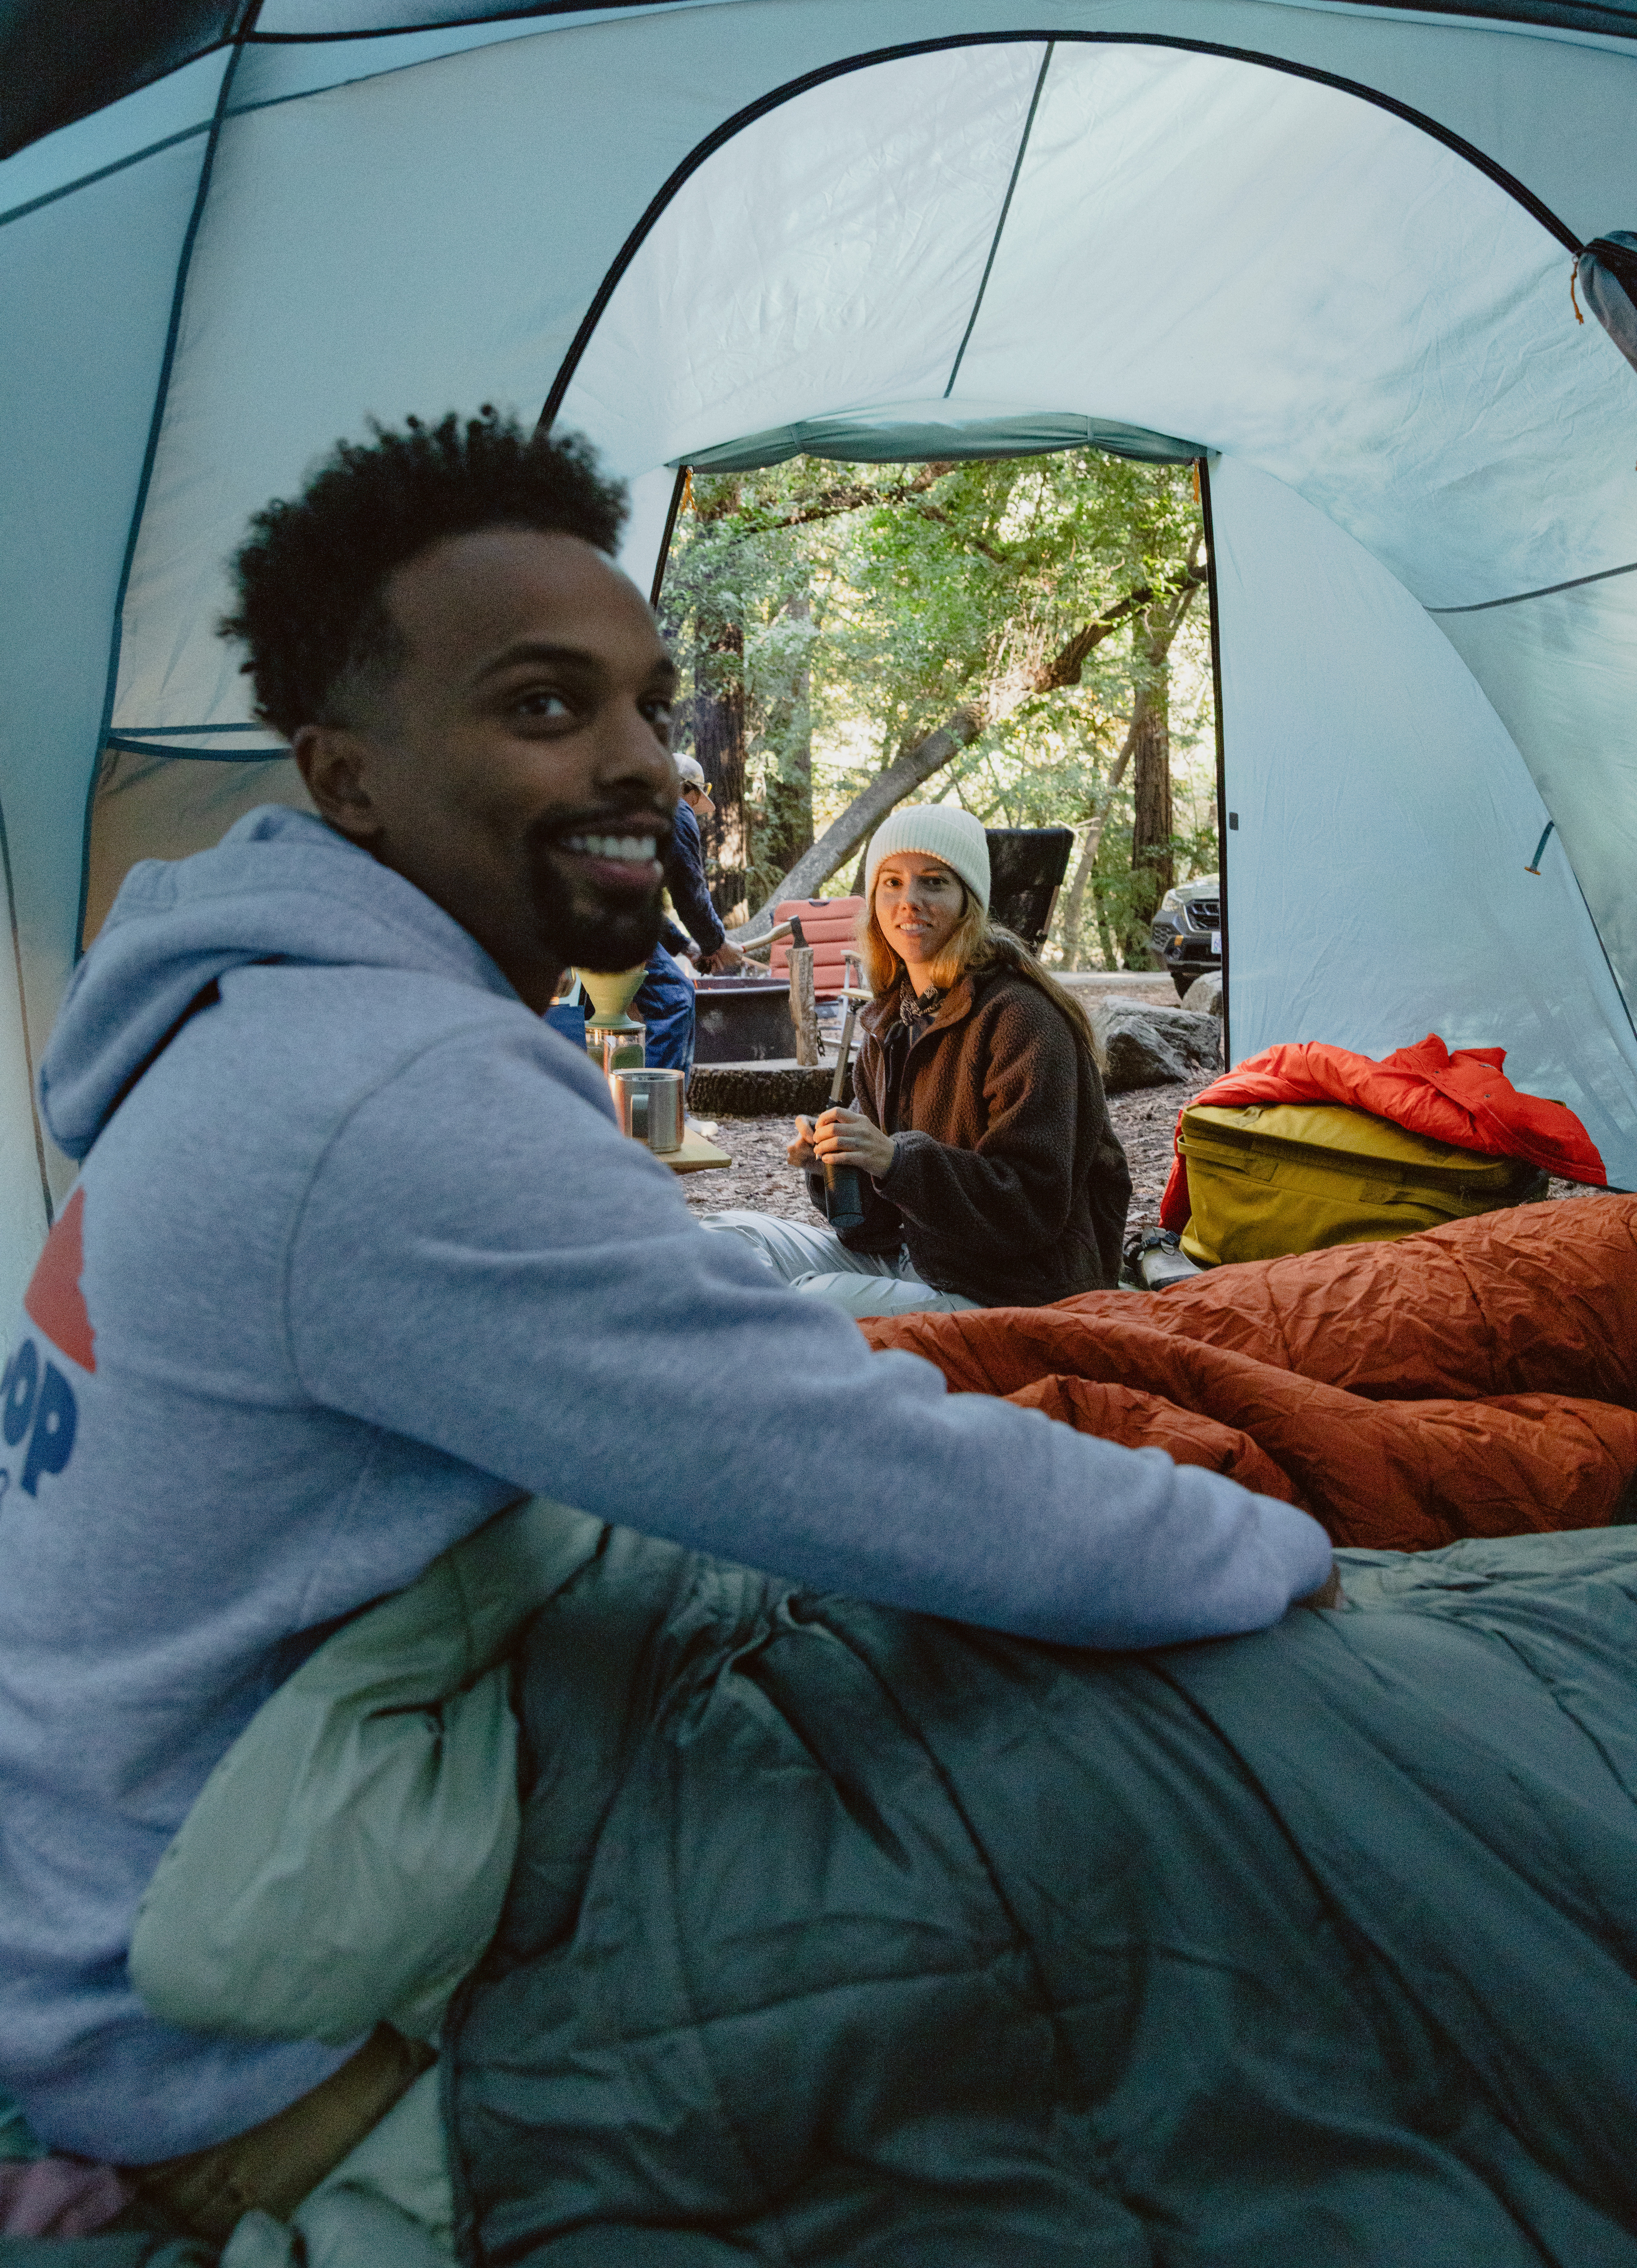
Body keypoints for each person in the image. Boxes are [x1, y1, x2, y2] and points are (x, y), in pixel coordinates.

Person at [0, 411, 1330, 2197]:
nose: (647, 764)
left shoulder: (251, 1016)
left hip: (108, 1860)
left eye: (647, 701)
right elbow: (860, 1469)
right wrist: (1279, 1553)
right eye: (546, 708)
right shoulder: (388, 1090)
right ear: (348, 772)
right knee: (1040, 1939)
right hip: (206, 2005)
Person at [702, 805, 1132, 1315]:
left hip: (1012, 1293)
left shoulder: (1022, 1018)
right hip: (918, 1260)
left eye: (933, 883)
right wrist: (838, 1164)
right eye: (891, 882)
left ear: (968, 902)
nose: (909, 902)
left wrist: (896, 1160)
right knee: (722, 1239)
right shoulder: (892, 1018)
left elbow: (1031, 1209)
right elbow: (873, 1230)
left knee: (807, 1306)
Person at [630, 755, 751, 1078]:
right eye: (696, 800)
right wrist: (716, 943)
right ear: (690, 791)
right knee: (675, 1000)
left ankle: (653, 1112)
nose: (695, 810)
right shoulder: (675, 807)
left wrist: (687, 947)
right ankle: (659, 1117)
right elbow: (690, 890)